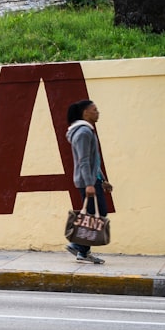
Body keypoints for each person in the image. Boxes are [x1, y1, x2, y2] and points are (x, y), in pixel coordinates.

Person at [65, 99, 113, 264]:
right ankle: (77, 245)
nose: (97, 112)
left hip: (93, 179)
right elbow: (84, 160)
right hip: (88, 181)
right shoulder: (83, 132)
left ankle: (83, 252)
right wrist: (90, 184)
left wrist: (103, 180)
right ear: (85, 113)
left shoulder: (86, 131)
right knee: (97, 215)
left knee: (92, 216)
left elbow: (94, 161)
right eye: (94, 109)